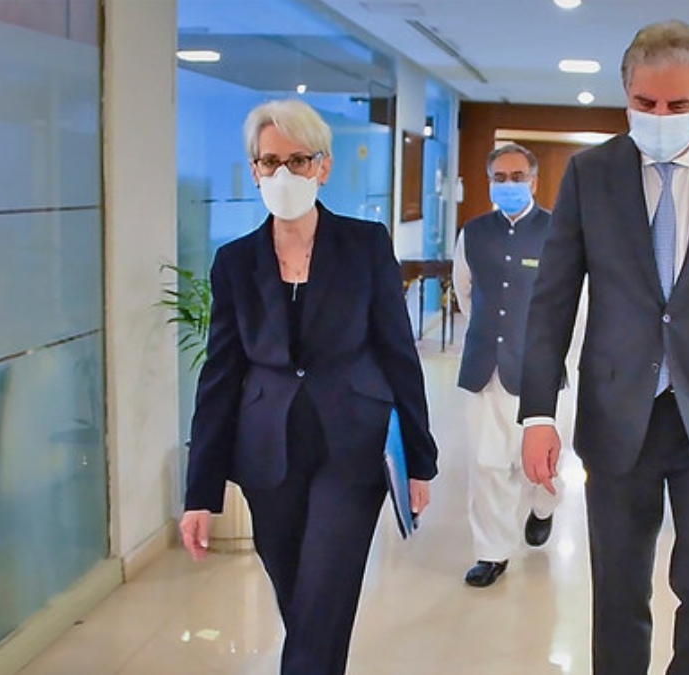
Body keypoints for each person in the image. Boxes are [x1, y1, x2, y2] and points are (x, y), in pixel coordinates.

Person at [519, 20, 689, 675]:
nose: (661, 116)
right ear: (626, 97)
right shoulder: (590, 175)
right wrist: (537, 413)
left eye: (678, 104)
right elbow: (552, 300)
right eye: (645, 103)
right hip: (620, 412)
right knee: (619, 593)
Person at [178, 99, 439, 675]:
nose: (284, 174)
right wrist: (200, 493)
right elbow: (219, 377)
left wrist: (419, 460)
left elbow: (398, 353)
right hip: (268, 455)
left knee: (325, 592)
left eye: (298, 160)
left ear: (323, 167)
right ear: (254, 169)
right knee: (304, 600)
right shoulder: (235, 263)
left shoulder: (364, 245)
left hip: (352, 446)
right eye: (270, 161)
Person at [453, 143, 560, 588]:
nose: (509, 184)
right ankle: (492, 553)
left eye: (518, 177)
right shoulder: (473, 233)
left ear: (534, 181)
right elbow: (464, 292)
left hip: (539, 371)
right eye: (500, 177)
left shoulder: (558, 231)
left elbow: (572, 303)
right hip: (485, 366)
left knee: (540, 463)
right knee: (487, 465)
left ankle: (543, 508)